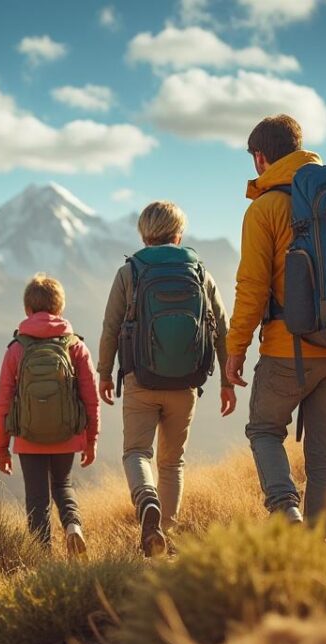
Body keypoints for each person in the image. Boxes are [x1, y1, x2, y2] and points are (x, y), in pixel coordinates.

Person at [226, 114, 326, 536]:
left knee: (265, 430)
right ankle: (318, 547)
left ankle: (286, 511)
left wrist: (235, 349)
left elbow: (252, 288)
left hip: (289, 348)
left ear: (260, 157)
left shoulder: (265, 208)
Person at [98, 201, 236, 557]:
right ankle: (163, 536)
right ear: (179, 234)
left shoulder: (129, 272)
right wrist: (226, 380)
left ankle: (147, 500)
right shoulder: (199, 271)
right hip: (186, 382)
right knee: (172, 462)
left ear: (144, 234)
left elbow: (111, 327)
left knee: (136, 452)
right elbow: (222, 328)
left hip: (140, 379)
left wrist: (104, 373)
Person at [0, 273, 99, 554]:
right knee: (63, 485)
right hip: (67, 433)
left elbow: (4, 401)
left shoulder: (16, 349)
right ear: (60, 308)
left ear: (27, 309)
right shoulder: (75, 346)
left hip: (28, 437)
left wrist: (1, 449)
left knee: (37, 498)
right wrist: (91, 439)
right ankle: (73, 526)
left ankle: (42, 558)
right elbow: (91, 398)